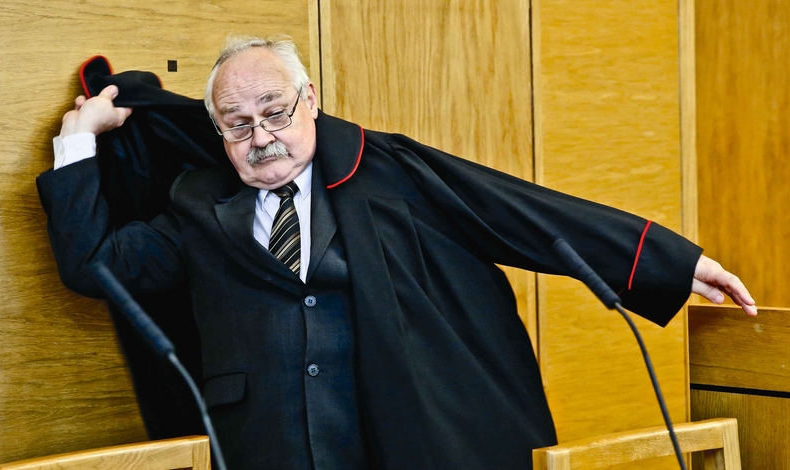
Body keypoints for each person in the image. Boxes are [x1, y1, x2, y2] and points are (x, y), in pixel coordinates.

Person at [38, 35, 757, 470]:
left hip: (398, 434)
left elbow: (521, 214)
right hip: (263, 447)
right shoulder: (197, 201)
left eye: (275, 113)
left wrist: (674, 264)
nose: (261, 137)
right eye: (238, 124)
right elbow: (97, 266)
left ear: (310, 100)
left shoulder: (387, 170)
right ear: (218, 130)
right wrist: (78, 140)